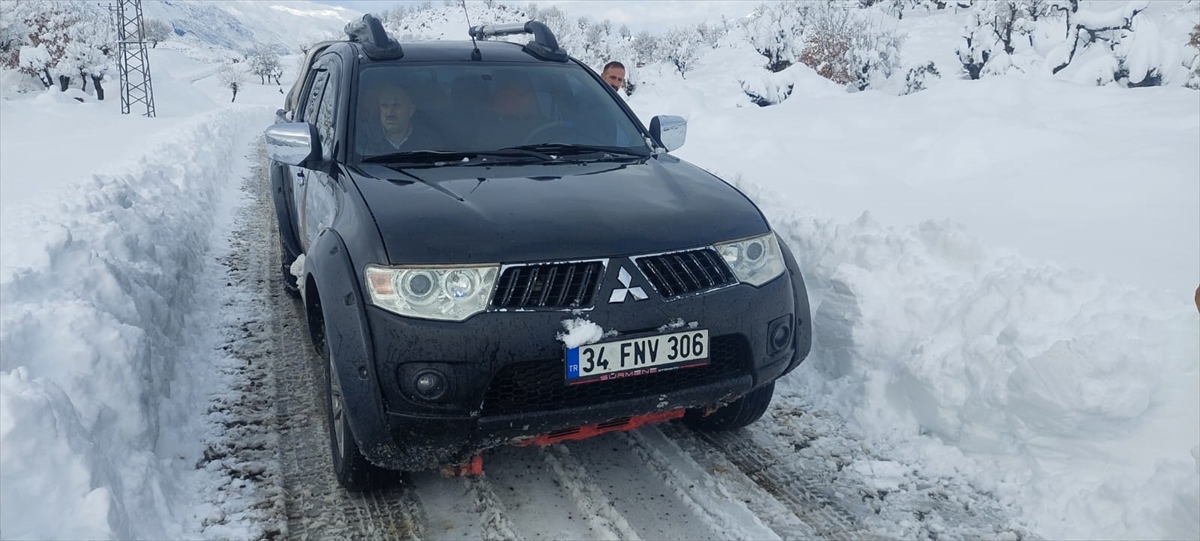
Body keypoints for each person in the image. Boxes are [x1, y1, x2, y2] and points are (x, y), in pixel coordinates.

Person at [357, 83, 442, 156]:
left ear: (411, 110)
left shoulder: (430, 142)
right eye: (384, 106)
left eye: (396, 105)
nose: (389, 113)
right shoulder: (362, 138)